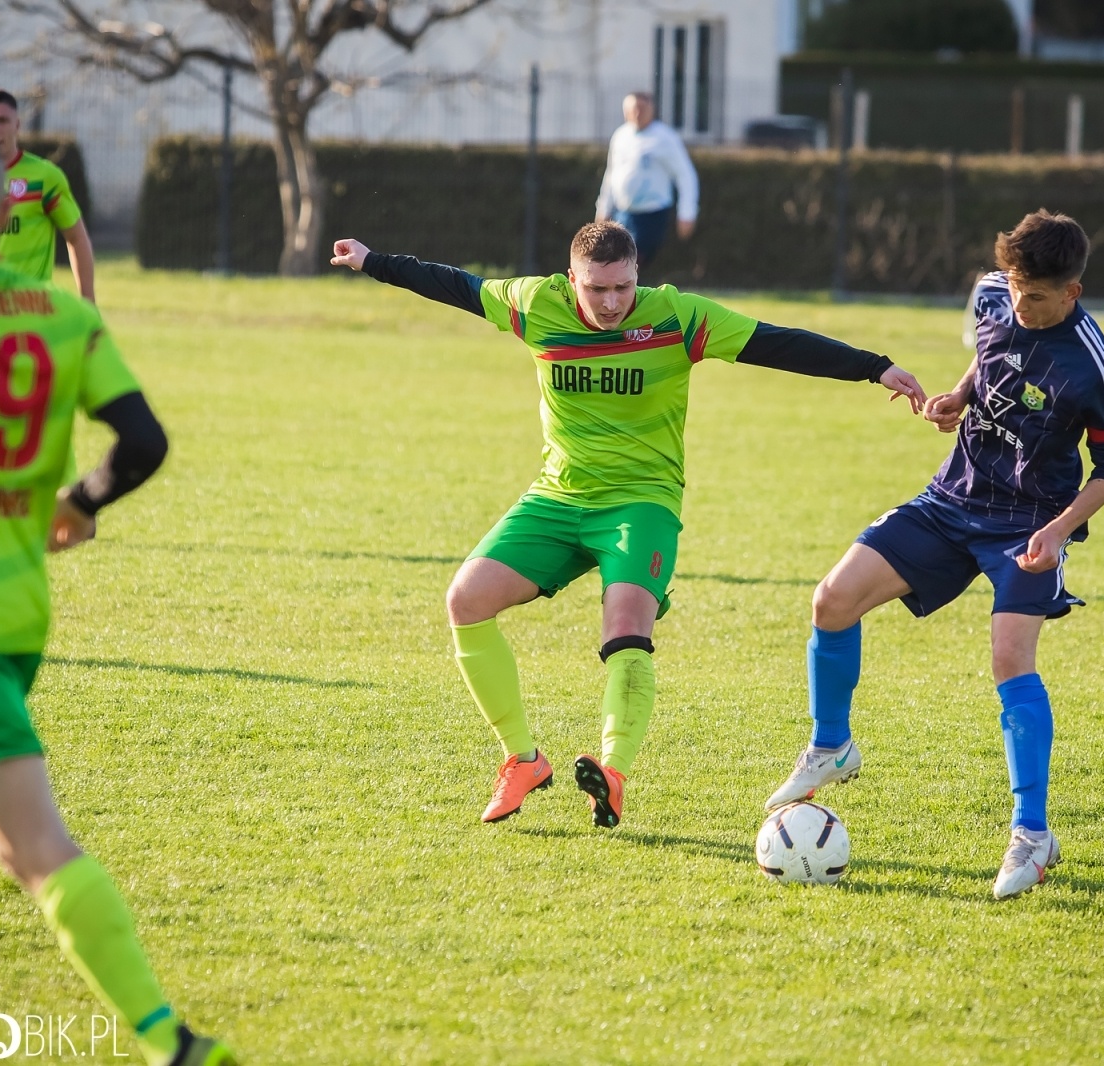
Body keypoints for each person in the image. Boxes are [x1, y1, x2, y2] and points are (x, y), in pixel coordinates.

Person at [331, 220, 926, 830]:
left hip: (641, 503)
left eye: (622, 287)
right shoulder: (536, 304)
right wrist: (374, 261)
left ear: (637, 275)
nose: (612, 302)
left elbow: (775, 343)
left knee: (625, 626)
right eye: (597, 289)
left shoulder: (677, 318)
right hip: (558, 498)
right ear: (571, 282)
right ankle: (523, 759)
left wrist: (871, 367)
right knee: (465, 600)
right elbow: (456, 285)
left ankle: (611, 773)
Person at [0, 124, 234, 1066]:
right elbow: (143, 441)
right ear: (6, 210)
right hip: (11, 620)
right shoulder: (60, 318)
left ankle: (174, 1044)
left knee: (29, 850)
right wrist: (76, 500)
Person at [764, 210, 1104, 901]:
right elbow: (989, 350)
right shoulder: (994, 294)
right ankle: (831, 747)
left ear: (1072, 292)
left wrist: (1059, 532)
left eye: (1038, 298)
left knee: (1008, 659)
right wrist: (959, 396)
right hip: (952, 497)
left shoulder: (1092, 364)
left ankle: (1031, 833)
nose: (1021, 306)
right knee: (832, 600)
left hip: (1026, 525)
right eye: (1017, 290)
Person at [0, 88, 97, 302]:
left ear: (17, 125)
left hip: (31, 307)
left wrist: (88, 300)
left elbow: (76, 237)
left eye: (2, 120)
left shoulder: (44, 177)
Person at [594, 93, 698, 271]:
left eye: (642, 109)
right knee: (618, 261)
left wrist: (687, 212)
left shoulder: (665, 138)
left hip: (652, 213)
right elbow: (611, 174)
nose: (637, 113)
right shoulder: (620, 136)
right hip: (623, 213)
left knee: (631, 261)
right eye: (632, 109)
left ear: (652, 110)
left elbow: (685, 175)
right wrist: (603, 208)